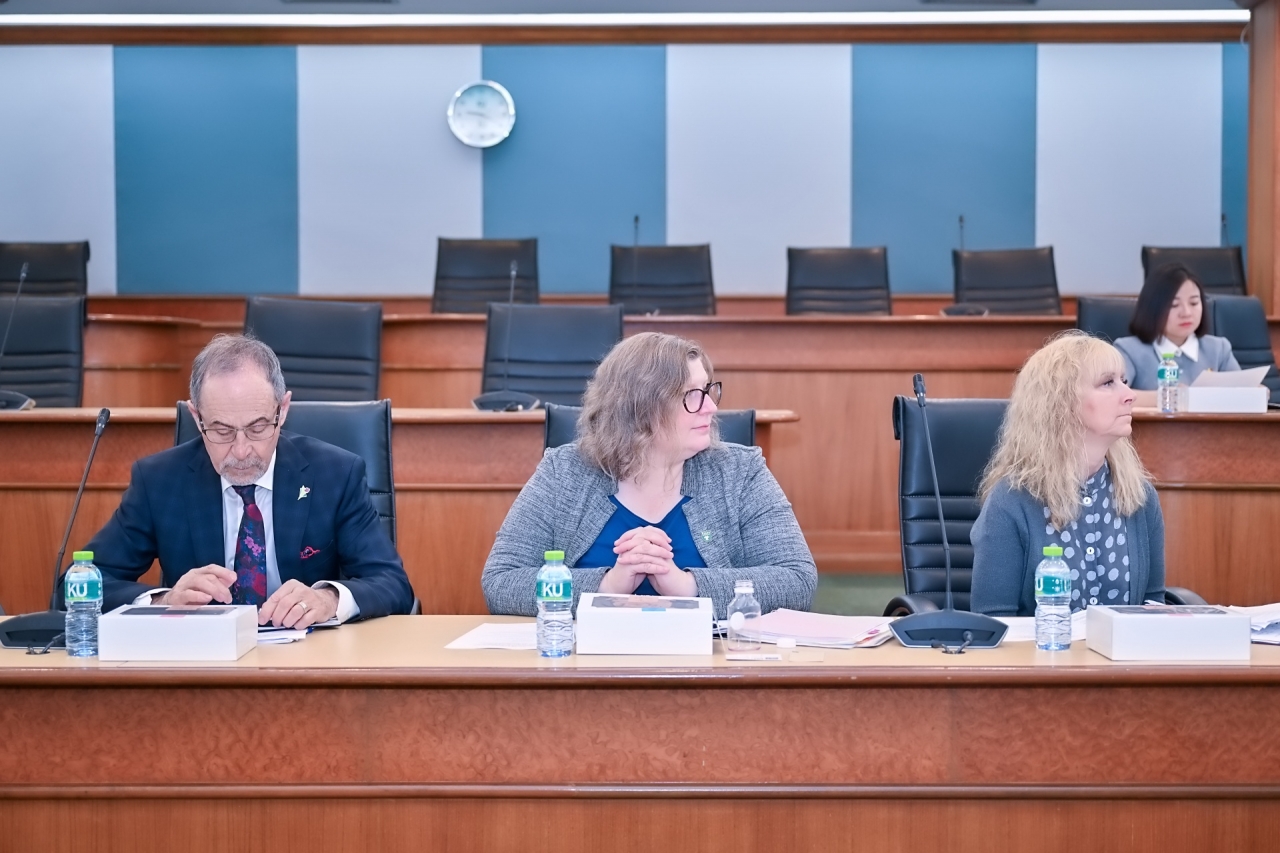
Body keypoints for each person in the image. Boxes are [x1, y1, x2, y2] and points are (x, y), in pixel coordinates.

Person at [76, 334, 414, 626]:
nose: (240, 451)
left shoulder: (336, 474)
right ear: (196, 417)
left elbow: (392, 583)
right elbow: (79, 584)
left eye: (257, 427)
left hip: (306, 662)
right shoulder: (159, 481)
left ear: (283, 410)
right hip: (202, 665)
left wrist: (328, 599)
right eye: (222, 430)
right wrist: (162, 600)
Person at [482, 332, 817, 617]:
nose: (711, 408)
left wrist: (686, 586)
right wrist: (607, 586)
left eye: (708, 390)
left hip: (709, 665)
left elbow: (797, 580)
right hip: (585, 664)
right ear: (639, 408)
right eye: (692, 395)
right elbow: (501, 581)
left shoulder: (740, 472)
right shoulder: (564, 472)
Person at [970, 331, 1165, 617]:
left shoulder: (1140, 496)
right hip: (1040, 647)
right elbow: (994, 621)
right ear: (1062, 402)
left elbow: (1152, 606)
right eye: (1107, 383)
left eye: (1124, 381)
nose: (1130, 395)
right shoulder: (1011, 501)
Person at [1112, 262, 1240, 407]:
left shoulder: (1219, 349)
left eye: (1194, 303)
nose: (1186, 313)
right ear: (1153, 308)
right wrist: (1171, 396)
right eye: (1174, 305)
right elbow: (1114, 395)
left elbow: (1243, 393)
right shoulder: (1128, 350)